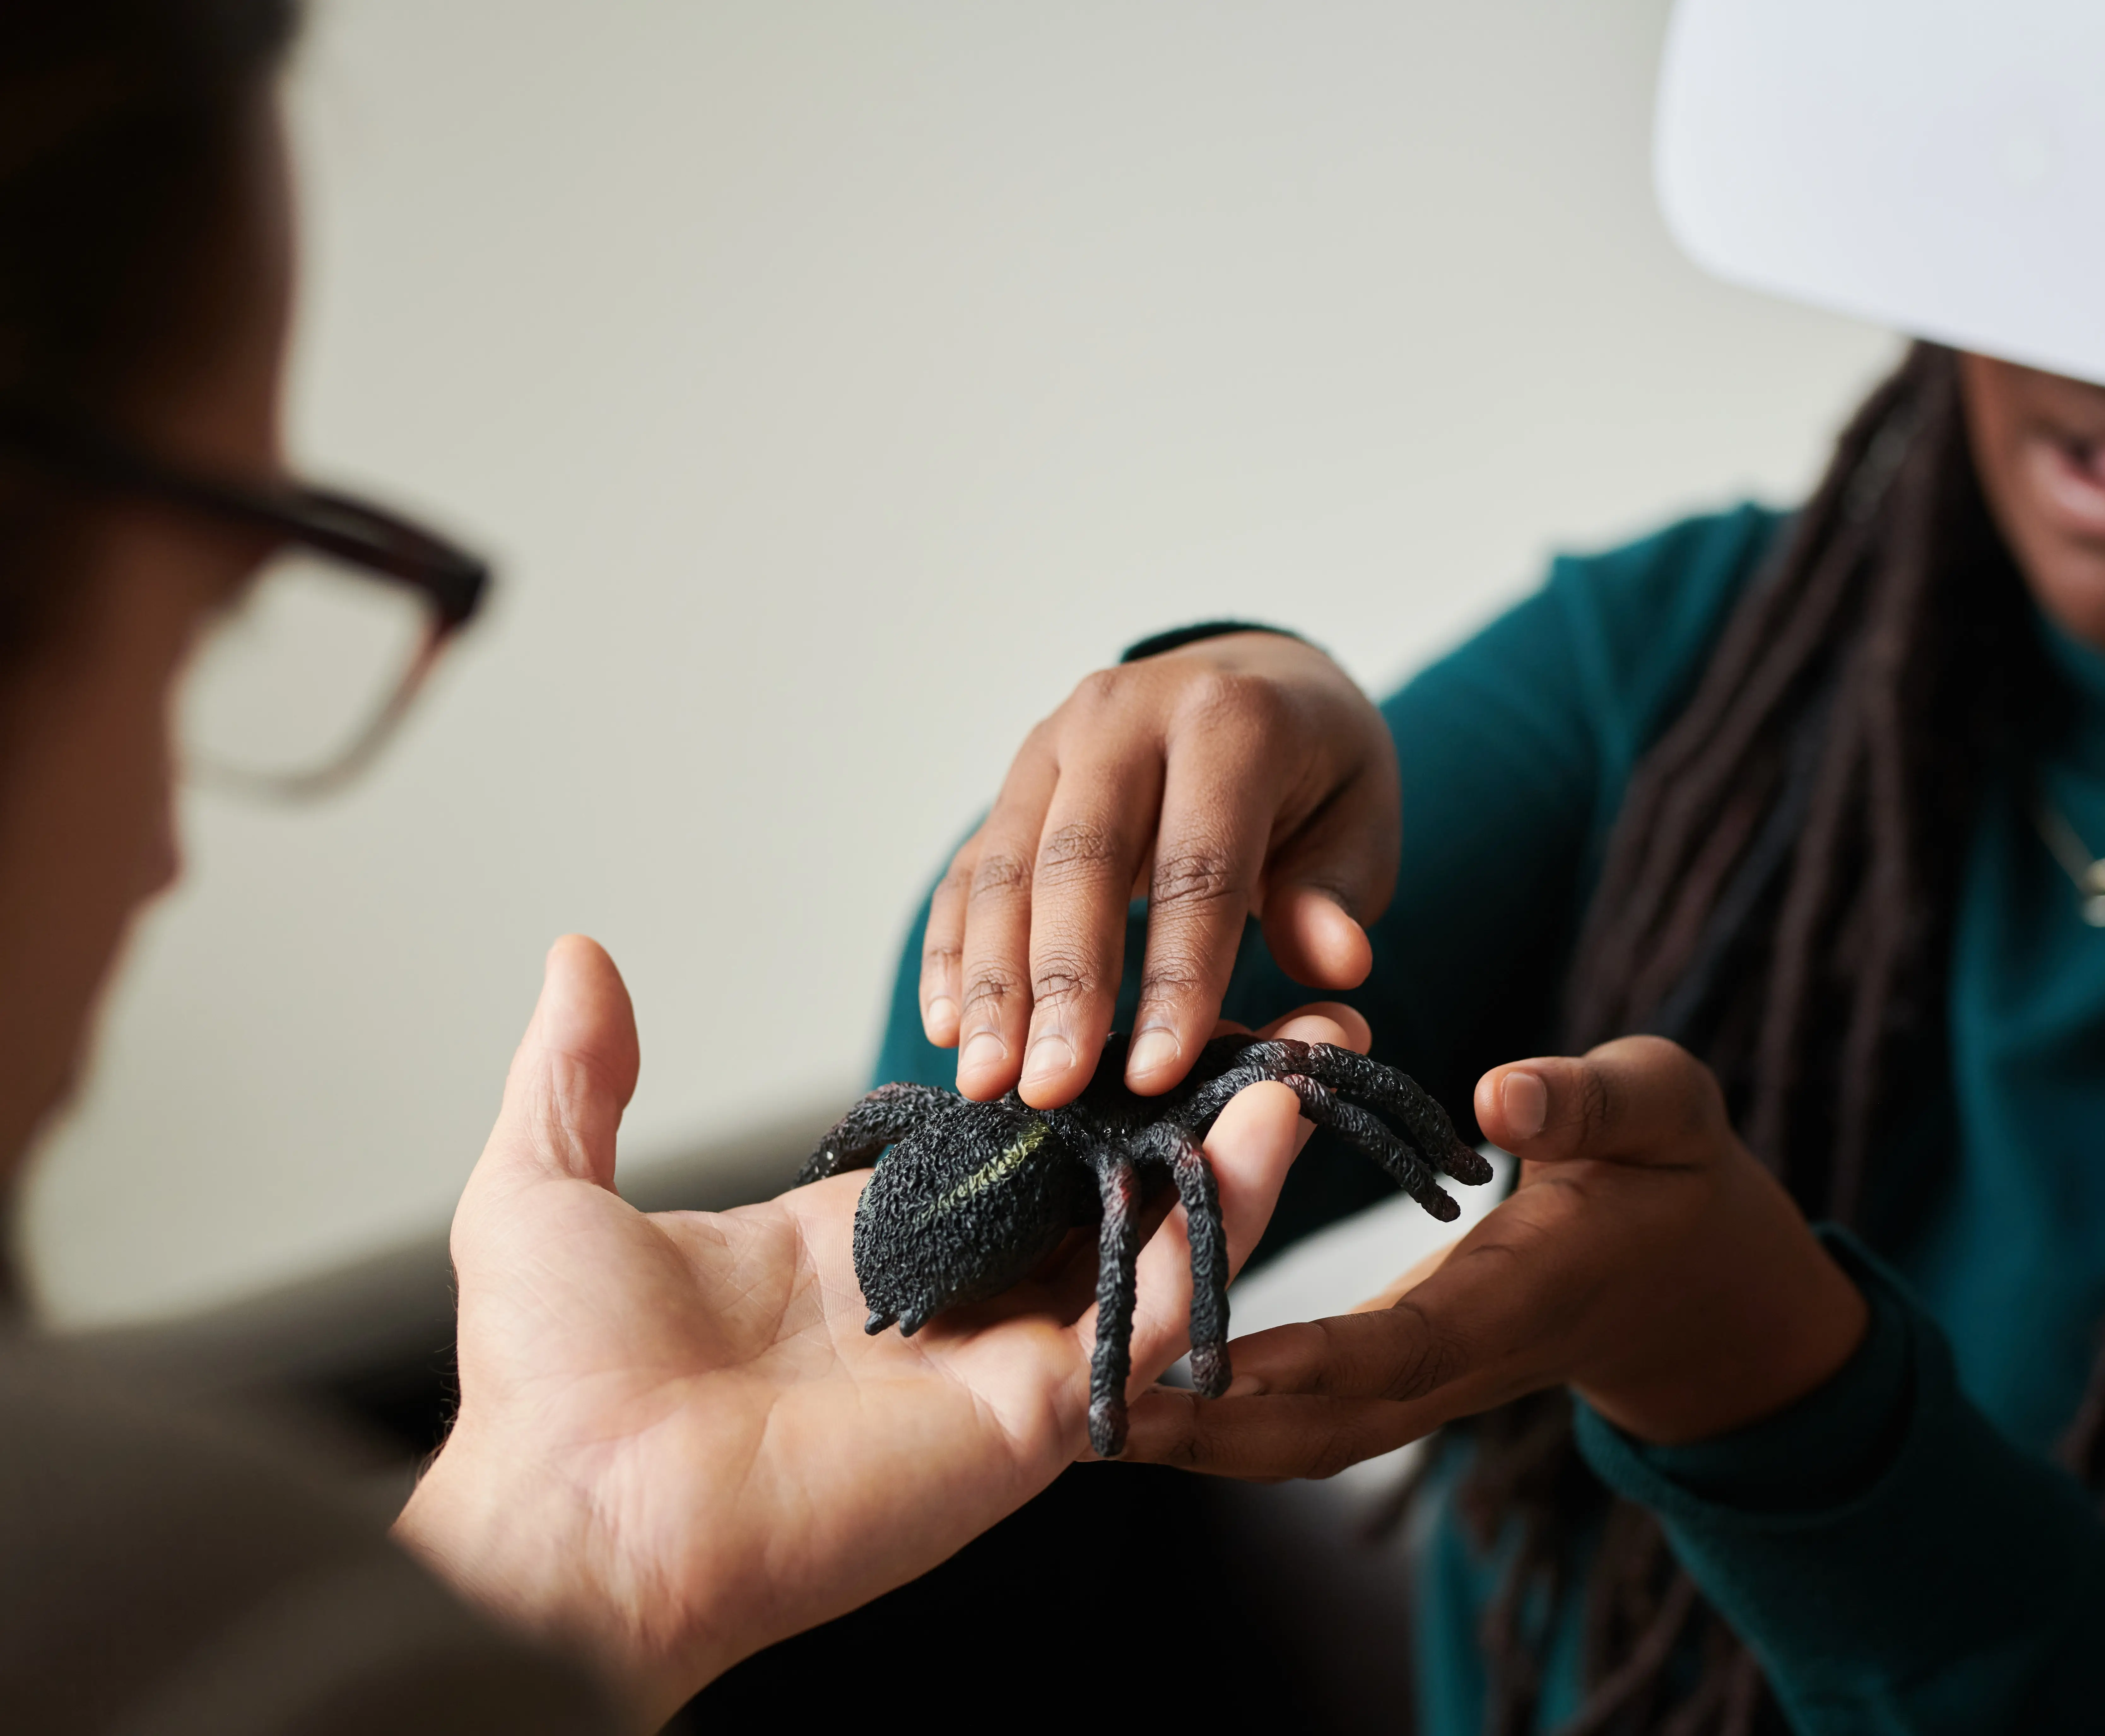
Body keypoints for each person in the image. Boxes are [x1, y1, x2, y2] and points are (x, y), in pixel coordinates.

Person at [878, 0, 2105, 1729]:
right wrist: (1208, 732)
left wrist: (1766, 1388)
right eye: (2081, 157)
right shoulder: (1697, 663)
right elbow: (975, 1137)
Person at [0, 4, 1347, 1730]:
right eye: (204, 634)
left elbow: (886, 1109)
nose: (170, 856)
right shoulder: (203, 1625)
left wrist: (566, 1543)